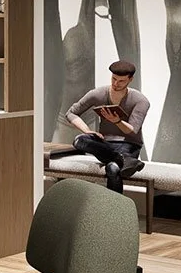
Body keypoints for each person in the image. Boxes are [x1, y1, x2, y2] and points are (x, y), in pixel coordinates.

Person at [64, 59, 149, 194]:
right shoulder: (98, 93)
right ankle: (122, 159)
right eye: (114, 79)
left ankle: (115, 212)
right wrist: (88, 131)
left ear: (130, 79)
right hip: (104, 144)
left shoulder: (140, 100)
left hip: (129, 144)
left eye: (121, 81)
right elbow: (71, 113)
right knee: (79, 140)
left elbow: (132, 131)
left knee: (113, 168)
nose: (116, 84)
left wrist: (117, 121)